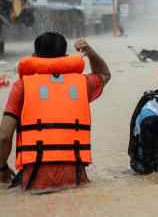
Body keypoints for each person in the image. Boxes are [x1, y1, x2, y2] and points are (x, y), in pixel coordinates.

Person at [0, 33, 111, 192]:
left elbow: (4, 136)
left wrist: (2, 169)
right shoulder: (82, 84)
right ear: (65, 56)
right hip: (76, 177)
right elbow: (105, 74)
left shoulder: (22, 87)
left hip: (34, 179)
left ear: (35, 56)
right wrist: (89, 51)